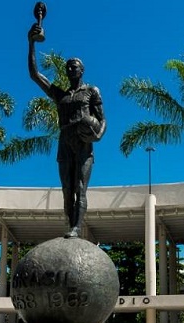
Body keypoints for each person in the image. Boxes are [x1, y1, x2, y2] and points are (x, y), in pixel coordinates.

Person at [27, 22, 106, 238]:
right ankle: (70, 225)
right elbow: (35, 75)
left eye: (75, 66)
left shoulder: (91, 91)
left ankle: (76, 228)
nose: (71, 69)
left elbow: (102, 120)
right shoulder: (60, 95)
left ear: (82, 70)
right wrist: (30, 43)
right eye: (68, 67)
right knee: (66, 190)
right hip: (64, 141)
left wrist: (96, 134)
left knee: (80, 187)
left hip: (84, 142)